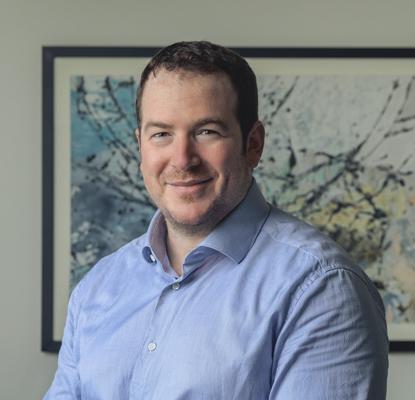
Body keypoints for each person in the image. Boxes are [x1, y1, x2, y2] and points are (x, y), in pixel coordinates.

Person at [44, 41, 388, 399]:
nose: (182, 159)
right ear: (140, 146)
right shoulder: (97, 287)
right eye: (161, 134)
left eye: (206, 131)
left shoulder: (321, 288)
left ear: (253, 144)